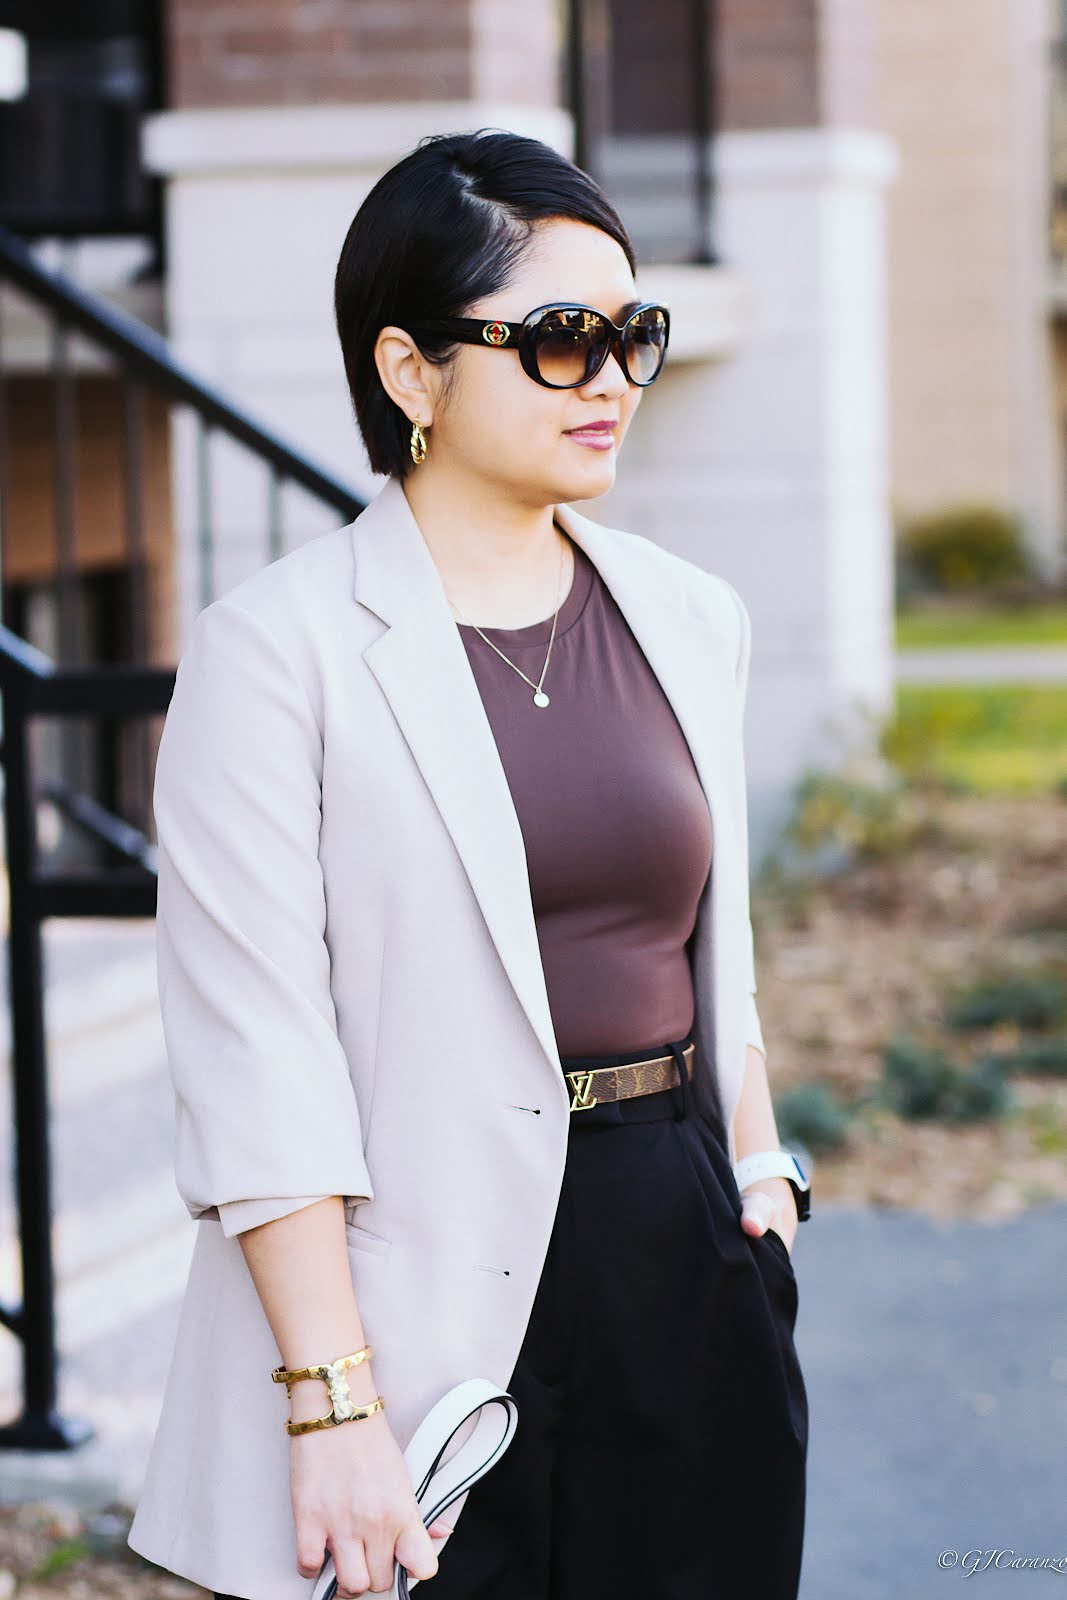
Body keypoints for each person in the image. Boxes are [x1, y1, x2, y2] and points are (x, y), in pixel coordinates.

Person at [127, 127, 810, 1600]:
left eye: (634, 333)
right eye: (564, 341)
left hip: (683, 1260)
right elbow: (259, 1065)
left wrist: (762, 1183)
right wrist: (332, 1406)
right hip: (417, 1294)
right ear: (410, 371)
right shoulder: (275, 657)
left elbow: (712, 945)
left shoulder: (689, 618)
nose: (616, 378)